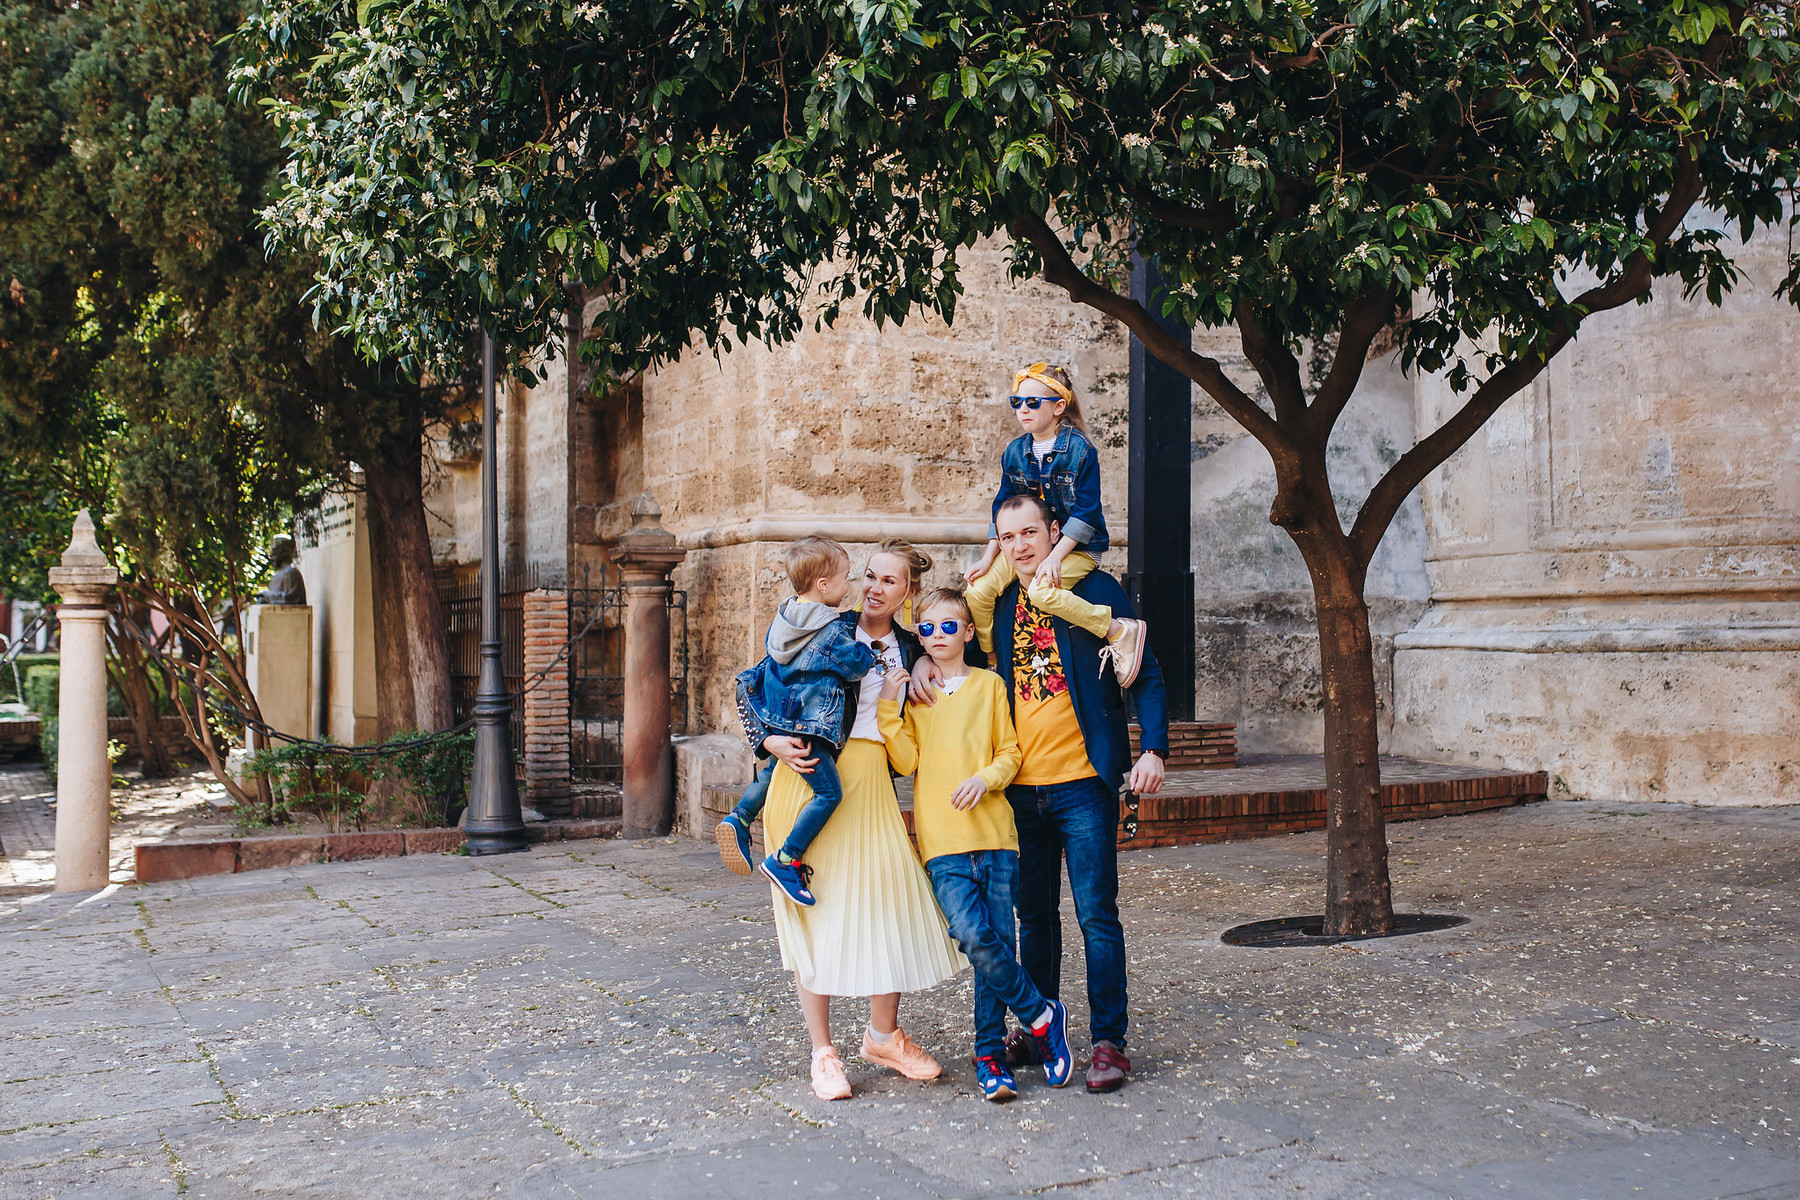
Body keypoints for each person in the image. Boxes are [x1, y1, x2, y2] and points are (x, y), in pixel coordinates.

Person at [916, 495, 1169, 1093]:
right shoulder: (998, 602)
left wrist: (1153, 747)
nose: (1021, 545)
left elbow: (1146, 668)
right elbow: (948, 648)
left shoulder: (1097, 591)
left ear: (1055, 532)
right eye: (1008, 538)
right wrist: (917, 665)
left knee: (1096, 917)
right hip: (1019, 795)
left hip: (1085, 785)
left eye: (1031, 532)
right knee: (1034, 919)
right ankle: (1040, 1029)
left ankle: (1109, 1041)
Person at [745, 541, 965, 1101]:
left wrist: (918, 661)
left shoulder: (919, 646)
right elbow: (752, 686)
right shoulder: (820, 624)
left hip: (872, 784)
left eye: (889, 581)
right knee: (811, 919)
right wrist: (768, 739)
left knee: (887, 905)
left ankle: (882, 1037)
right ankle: (823, 1052)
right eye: (868, 575)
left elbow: (962, 660)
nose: (873, 587)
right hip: (809, 780)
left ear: (906, 594)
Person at [879, 586, 1074, 1102]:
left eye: (949, 626)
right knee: (971, 935)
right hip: (942, 840)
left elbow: (1011, 753)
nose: (938, 636)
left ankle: (989, 1057)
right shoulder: (916, 696)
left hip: (995, 835)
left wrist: (985, 779)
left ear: (968, 631)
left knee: (997, 946)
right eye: (927, 628)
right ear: (918, 635)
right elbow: (903, 761)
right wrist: (887, 709)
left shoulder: (990, 686)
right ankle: (1040, 1014)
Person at [963, 363, 1146, 687]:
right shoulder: (1016, 452)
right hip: (1031, 545)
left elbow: (1085, 513)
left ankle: (1117, 630)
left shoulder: (1081, 450)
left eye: (1033, 402)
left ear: (1059, 406)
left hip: (1078, 549)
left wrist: (1055, 558)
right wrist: (988, 557)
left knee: (1041, 592)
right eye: (1016, 402)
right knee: (978, 591)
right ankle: (994, 662)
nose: (1023, 409)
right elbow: (1002, 508)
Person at [719, 537, 867, 906]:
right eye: (845, 578)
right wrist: (870, 649)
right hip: (810, 726)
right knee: (829, 793)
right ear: (823, 585)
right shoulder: (830, 630)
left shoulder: (784, 618)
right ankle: (786, 859)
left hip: (780, 720)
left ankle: (739, 817)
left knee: (769, 773)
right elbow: (855, 667)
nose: (849, 587)